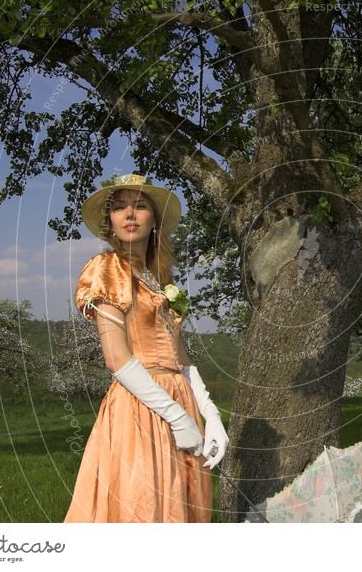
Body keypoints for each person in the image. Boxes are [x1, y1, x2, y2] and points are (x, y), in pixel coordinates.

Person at [64, 173, 229, 523]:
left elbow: (180, 359)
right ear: (109, 221)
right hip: (140, 407)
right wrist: (174, 414)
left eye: (139, 206)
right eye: (120, 207)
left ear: (153, 220)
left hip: (181, 403)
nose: (129, 214)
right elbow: (117, 358)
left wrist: (210, 414)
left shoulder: (160, 281)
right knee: (141, 507)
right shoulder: (108, 269)